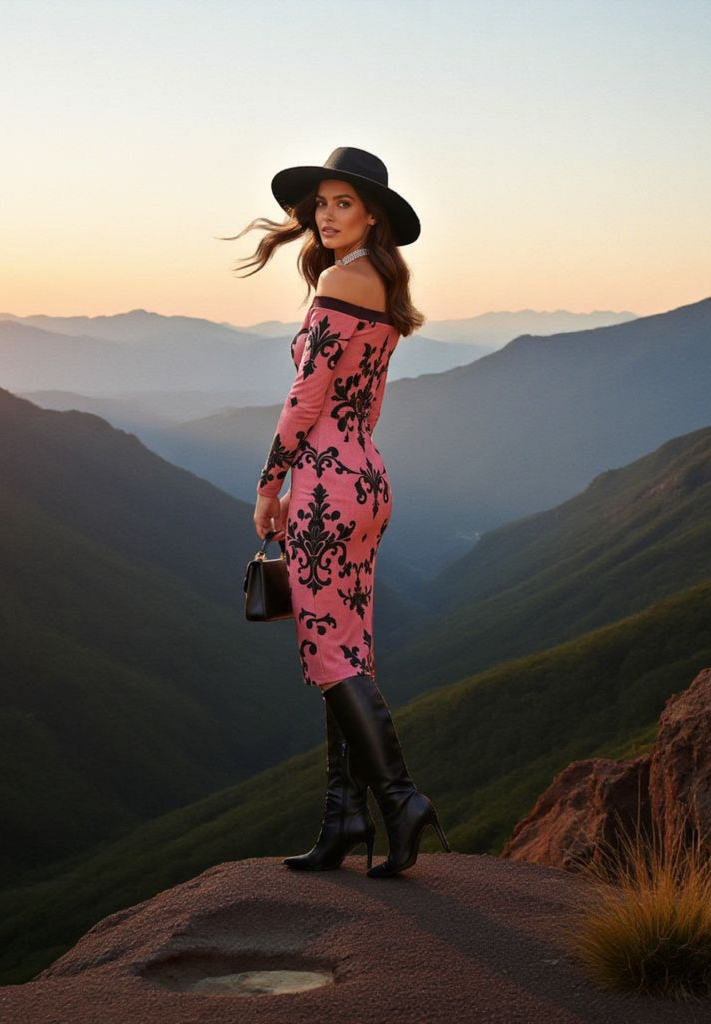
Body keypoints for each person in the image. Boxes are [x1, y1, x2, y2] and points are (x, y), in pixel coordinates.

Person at [227, 146, 450, 878]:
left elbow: (305, 399)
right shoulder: (383, 283)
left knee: (329, 654)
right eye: (320, 203)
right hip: (364, 476)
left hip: (325, 485)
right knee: (346, 651)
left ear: (372, 214)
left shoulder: (338, 281)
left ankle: (399, 799)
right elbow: (364, 400)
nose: (325, 215)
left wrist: (271, 485)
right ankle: (344, 817)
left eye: (342, 204)